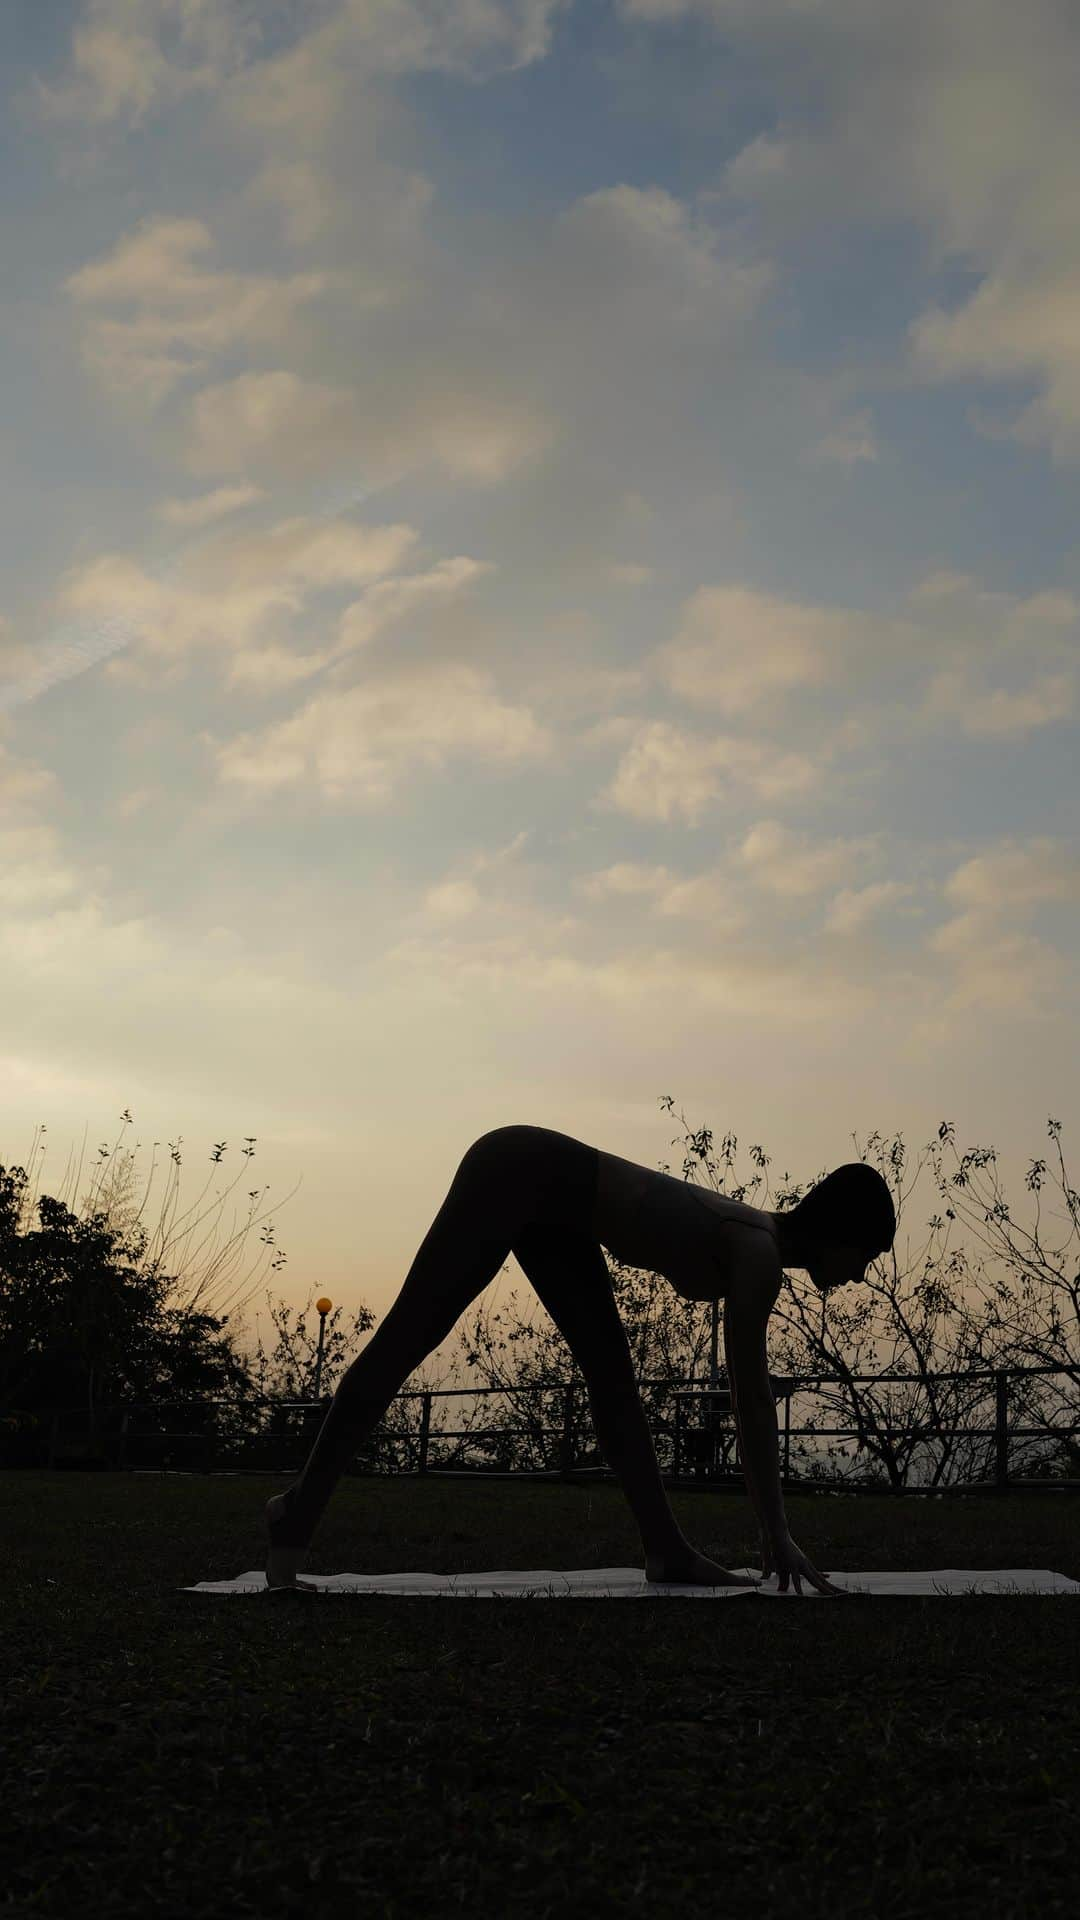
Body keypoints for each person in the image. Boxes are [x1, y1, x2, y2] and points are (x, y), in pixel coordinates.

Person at [265, 1125, 896, 1597]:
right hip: (517, 1169)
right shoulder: (759, 1253)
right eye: (866, 1255)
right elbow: (751, 1397)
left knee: (612, 1379)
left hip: (560, 1210)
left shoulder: (754, 1241)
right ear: (839, 1234)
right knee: (409, 1336)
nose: (861, 1274)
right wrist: (776, 1528)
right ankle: (298, 1512)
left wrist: (769, 1523)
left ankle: (665, 1549)